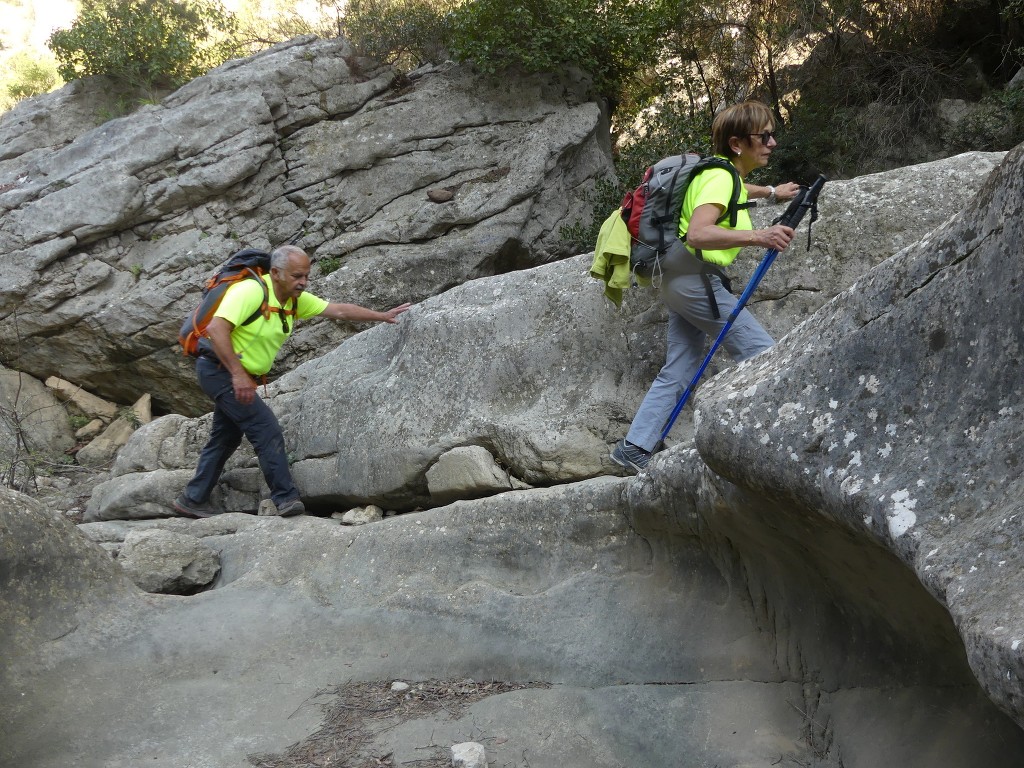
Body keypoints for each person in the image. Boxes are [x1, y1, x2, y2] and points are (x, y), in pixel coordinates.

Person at [610, 100, 799, 474]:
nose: (772, 143)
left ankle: (634, 448)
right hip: (697, 282)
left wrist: (772, 192)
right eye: (764, 136)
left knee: (678, 369)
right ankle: (776, 442)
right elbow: (699, 232)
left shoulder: (723, 175)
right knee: (763, 355)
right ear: (737, 144)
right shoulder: (720, 177)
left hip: (679, 280)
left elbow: (738, 190)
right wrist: (760, 235)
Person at [173, 244, 412, 518]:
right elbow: (216, 329)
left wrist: (382, 316)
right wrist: (238, 374)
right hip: (219, 370)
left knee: (225, 438)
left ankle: (192, 499)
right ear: (275, 273)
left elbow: (338, 311)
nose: (303, 282)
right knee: (266, 429)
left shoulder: (292, 300)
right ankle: (286, 500)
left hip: (233, 374)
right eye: (297, 276)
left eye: (306, 276)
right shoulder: (251, 291)